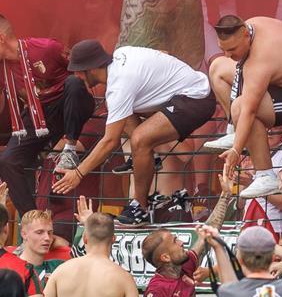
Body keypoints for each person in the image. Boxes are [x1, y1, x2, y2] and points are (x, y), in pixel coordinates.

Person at [52, 40, 215, 225]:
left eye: (78, 71)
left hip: (196, 97)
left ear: (92, 68)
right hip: (177, 95)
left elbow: (110, 141)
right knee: (120, 113)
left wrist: (79, 173)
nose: (77, 76)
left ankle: (139, 207)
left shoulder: (119, 85)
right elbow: (163, 52)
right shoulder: (121, 54)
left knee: (139, 140)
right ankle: (147, 158)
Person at [0, 15, 95, 213]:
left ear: (2, 38)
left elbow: (84, 73)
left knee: (74, 83)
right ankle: (32, 220)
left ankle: (70, 149)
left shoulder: (47, 48)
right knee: (7, 161)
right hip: (38, 116)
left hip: (70, 106)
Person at [204, 16, 282, 199]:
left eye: (232, 49)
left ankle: (265, 174)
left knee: (242, 106)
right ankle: (234, 131)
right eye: (223, 49)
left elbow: (249, 109)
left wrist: (235, 151)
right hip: (274, 83)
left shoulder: (261, 56)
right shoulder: (250, 26)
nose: (228, 55)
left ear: (246, 35)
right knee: (218, 68)